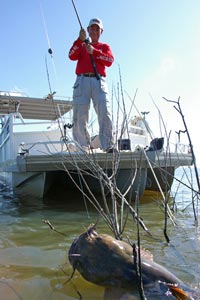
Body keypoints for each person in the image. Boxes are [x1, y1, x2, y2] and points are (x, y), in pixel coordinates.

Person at [68, 18, 115, 152]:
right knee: (80, 114)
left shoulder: (105, 47)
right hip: (81, 80)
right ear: (87, 30)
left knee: (105, 111)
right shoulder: (81, 44)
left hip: (98, 80)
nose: (94, 31)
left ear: (101, 31)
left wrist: (94, 51)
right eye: (92, 28)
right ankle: (82, 146)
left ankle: (108, 145)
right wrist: (79, 40)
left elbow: (109, 60)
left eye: (97, 29)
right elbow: (71, 55)